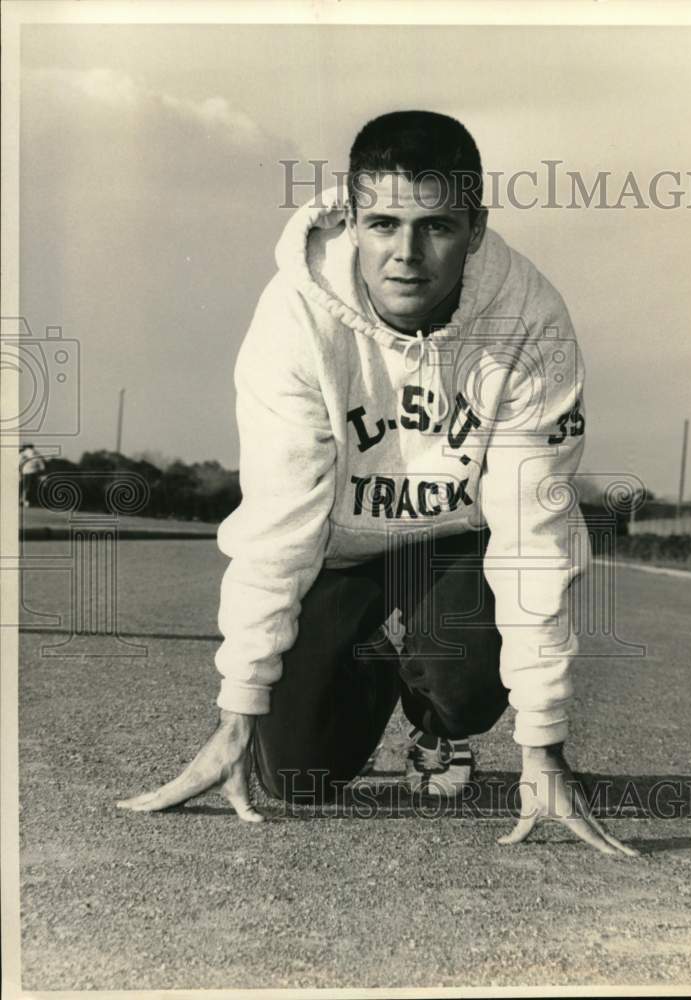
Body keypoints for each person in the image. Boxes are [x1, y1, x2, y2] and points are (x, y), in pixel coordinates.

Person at [118, 111, 637, 857]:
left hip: (457, 548)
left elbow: (532, 536)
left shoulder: (529, 319)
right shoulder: (294, 318)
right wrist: (236, 716)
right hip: (338, 550)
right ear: (350, 218)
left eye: (437, 227)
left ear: (477, 227)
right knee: (296, 774)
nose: (407, 255)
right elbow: (277, 525)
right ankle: (364, 667)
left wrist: (543, 749)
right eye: (384, 223)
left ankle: (437, 724)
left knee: (463, 676)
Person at [19, 443, 46, 507]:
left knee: (24, 486)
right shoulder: (36, 453)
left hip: (24, 472)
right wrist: (41, 470)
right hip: (33, 472)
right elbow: (41, 465)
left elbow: (18, 462)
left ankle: (22, 500)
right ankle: (27, 501)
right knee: (31, 487)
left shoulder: (22, 454)